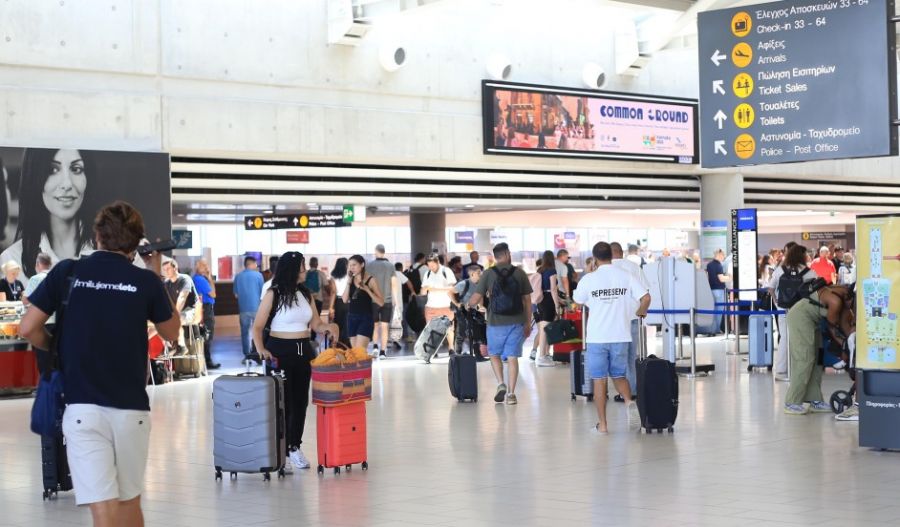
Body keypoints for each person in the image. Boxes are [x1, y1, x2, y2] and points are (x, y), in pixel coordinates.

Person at [20, 201, 180, 527]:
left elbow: (27, 328)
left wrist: (55, 347)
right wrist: (153, 269)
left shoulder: (67, 273)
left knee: (102, 510)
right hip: (130, 409)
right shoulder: (144, 281)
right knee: (129, 500)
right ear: (137, 243)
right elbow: (172, 331)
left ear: (96, 235)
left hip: (82, 408)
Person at [253, 252, 339, 472]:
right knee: (283, 403)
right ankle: (278, 451)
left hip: (303, 350)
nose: (305, 271)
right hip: (279, 351)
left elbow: (316, 324)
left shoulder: (305, 293)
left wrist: (328, 327)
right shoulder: (274, 293)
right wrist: (261, 349)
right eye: (302, 267)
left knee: (300, 402)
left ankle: (294, 447)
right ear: (292, 269)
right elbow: (257, 326)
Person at [574, 242, 650, 434]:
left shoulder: (589, 279)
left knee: (599, 380)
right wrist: (641, 312)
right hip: (620, 335)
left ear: (594, 258)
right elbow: (646, 297)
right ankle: (628, 402)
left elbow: (577, 301)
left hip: (597, 337)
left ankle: (603, 425)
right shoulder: (626, 276)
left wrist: (589, 271)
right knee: (619, 375)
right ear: (612, 255)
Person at [1, 149, 97, 279]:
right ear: (35, 178)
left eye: (76, 169)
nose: (67, 184)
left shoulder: (113, 252)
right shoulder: (11, 261)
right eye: (53, 170)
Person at [467, 243, 533, 405]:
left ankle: (500, 383)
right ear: (508, 254)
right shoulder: (519, 273)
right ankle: (511, 394)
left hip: (495, 322)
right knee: (512, 358)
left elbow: (476, 297)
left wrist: (468, 304)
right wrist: (528, 322)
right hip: (517, 322)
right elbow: (527, 301)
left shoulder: (488, 274)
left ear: (495, 256)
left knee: (494, 355)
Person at [784, 284, 854, 415]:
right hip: (800, 318)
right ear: (849, 297)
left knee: (818, 360)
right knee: (805, 359)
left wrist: (850, 342)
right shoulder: (836, 301)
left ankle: (814, 400)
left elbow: (845, 327)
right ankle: (791, 402)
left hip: (814, 322)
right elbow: (833, 328)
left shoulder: (843, 303)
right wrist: (846, 346)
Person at [767, 242, 814, 381]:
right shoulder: (807, 271)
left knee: (785, 337)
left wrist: (777, 301)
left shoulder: (781, 270)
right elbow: (816, 287)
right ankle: (801, 367)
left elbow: (771, 287)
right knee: (802, 338)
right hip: (801, 310)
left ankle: (782, 368)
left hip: (783, 308)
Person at [610, 242, 650, 399]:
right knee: (631, 356)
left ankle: (622, 392)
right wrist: (641, 311)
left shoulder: (604, 270)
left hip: (612, 320)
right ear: (621, 252)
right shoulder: (633, 267)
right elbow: (645, 291)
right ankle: (632, 391)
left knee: (615, 358)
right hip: (633, 318)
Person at [343, 254, 385, 349]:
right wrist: (348, 282)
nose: (351, 268)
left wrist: (367, 290)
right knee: (355, 353)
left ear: (362, 265)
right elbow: (345, 300)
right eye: (350, 265)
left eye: (354, 265)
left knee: (360, 352)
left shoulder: (371, 280)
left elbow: (381, 302)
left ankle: (365, 363)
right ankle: (363, 364)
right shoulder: (350, 279)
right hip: (351, 317)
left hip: (365, 318)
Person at [162, 259, 200, 356]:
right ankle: (168, 347)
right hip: (178, 312)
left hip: (192, 310)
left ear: (175, 268)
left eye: (168, 269)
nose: (166, 271)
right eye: (164, 270)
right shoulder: (166, 283)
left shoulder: (185, 279)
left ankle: (181, 346)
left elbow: (182, 298)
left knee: (176, 320)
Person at [422, 254, 459, 351]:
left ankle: (451, 348)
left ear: (438, 262)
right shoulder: (428, 273)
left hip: (446, 305)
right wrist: (425, 289)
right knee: (431, 329)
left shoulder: (446, 271)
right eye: (429, 266)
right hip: (431, 306)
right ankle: (433, 349)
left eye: (432, 266)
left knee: (449, 328)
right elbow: (423, 291)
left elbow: (452, 288)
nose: (431, 268)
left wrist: (435, 289)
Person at [234, 256, 264, 364]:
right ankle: (259, 354)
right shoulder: (259, 276)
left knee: (245, 333)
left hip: (243, 309)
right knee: (258, 331)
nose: (256, 266)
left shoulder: (238, 276)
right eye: (255, 264)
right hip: (257, 308)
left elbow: (236, 295)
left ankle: (247, 355)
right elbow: (263, 293)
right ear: (251, 264)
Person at [534, 250, 562, 367]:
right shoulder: (551, 270)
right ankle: (542, 357)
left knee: (543, 328)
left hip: (540, 300)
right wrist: (557, 304)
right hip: (548, 300)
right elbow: (553, 289)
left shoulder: (540, 270)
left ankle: (544, 354)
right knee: (545, 328)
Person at [367, 245, 395, 358]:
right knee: (384, 326)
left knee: (375, 325)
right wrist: (395, 301)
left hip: (373, 300)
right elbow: (394, 284)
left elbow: (366, 283)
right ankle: (383, 351)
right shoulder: (390, 266)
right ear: (384, 252)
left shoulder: (369, 266)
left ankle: (374, 346)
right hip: (387, 300)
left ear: (375, 252)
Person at [192, 259, 220, 369]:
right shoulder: (200, 279)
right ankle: (207, 361)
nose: (206, 267)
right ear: (198, 267)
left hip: (204, 308)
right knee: (208, 335)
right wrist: (209, 278)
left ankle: (206, 361)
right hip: (206, 309)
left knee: (205, 334)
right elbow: (213, 294)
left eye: (207, 264)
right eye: (203, 265)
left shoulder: (198, 278)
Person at [702, 249, 730, 335]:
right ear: (719, 255)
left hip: (711, 290)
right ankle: (717, 329)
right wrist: (730, 277)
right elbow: (721, 279)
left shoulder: (709, 265)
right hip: (719, 290)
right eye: (723, 255)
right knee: (719, 311)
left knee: (713, 311)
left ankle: (712, 329)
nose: (724, 257)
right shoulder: (719, 265)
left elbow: (707, 277)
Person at [331, 257, 351, 346]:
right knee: (347, 324)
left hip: (338, 302)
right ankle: (347, 344)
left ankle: (338, 344)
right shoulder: (350, 275)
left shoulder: (333, 276)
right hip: (348, 302)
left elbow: (333, 292)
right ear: (346, 265)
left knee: (338, 324)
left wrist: (331, 307)